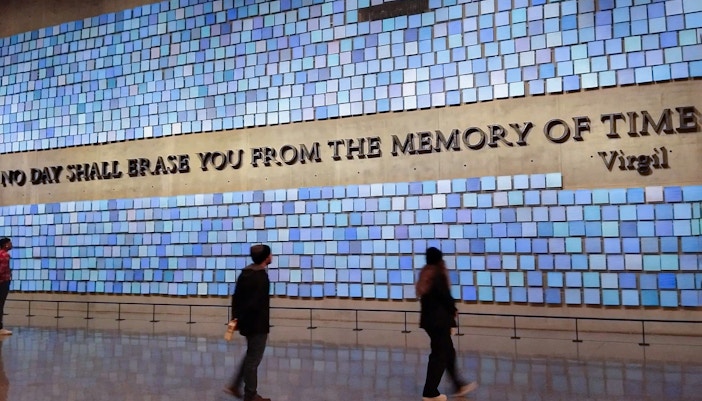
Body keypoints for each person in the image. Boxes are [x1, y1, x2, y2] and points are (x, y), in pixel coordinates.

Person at [416, 247, 477, 401]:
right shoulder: (438, 274)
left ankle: (459, 385)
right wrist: (453, 309)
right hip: (439, 321)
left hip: (429, 321)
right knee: (439, 355)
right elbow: (444, 296)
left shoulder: (425, 273)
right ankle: (430, 392)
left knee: (448, 352)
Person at [224, 244, 273, 401]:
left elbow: (236, 298)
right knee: (253, 360)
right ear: (266, 258)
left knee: (250, 356)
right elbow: (258, 304)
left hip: (246, 323)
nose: (272, 257)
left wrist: (237, 318)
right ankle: (250, 395)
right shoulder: (261, 277)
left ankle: (235, 386)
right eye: (270, 254)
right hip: (257, 325)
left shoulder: (245, 274)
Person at [0, 238, 12, 336]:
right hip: (3, 283)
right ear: (5, 245)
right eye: (9, 243)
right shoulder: (5, 255)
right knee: (0, 304)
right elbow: (2, 270)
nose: (11, 244)